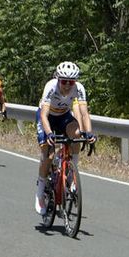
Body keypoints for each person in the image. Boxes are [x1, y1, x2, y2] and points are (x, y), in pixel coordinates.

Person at [35, 61, 92, 213]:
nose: (67, 85)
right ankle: (40, 192)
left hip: (63, 116)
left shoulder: (79, 88)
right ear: (58, 79)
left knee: (77, 135)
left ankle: (72, 171)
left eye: (71, 82)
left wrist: (89, 133)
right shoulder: (51, 86)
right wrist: (49, 134)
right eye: (64, 81)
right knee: (48, 153)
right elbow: (44, 114)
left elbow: (84, 113)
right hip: (47, 117)